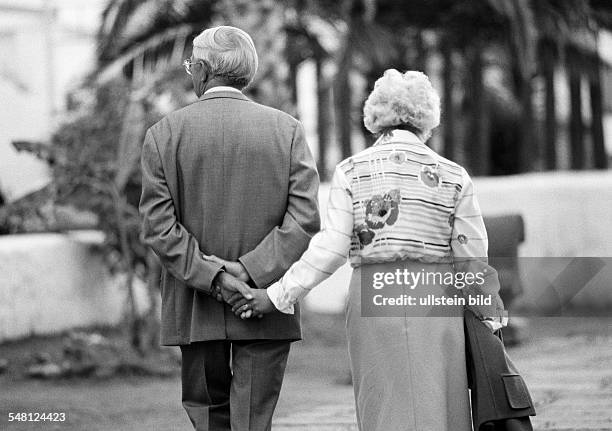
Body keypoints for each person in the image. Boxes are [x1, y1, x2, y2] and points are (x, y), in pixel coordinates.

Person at [214, 69, 507, 430]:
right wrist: (490, 316)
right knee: (439, 402)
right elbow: (472, 257)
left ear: (374, 117)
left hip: (373, 297)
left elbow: (331, 247)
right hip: (435, 298)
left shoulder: (351, 171)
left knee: (382, 405)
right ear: (428, 119)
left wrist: (276, 295)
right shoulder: (453, 175)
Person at [139, 26, 320, 431]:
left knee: (207, 417)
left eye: (190, 66)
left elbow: (158, 226)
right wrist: (249, 271)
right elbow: (305, 217)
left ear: (201, 70)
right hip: (264, 298)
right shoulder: (286, 130)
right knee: (255, 421)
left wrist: (216, 277)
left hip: (196, 304)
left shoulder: (164, 134)